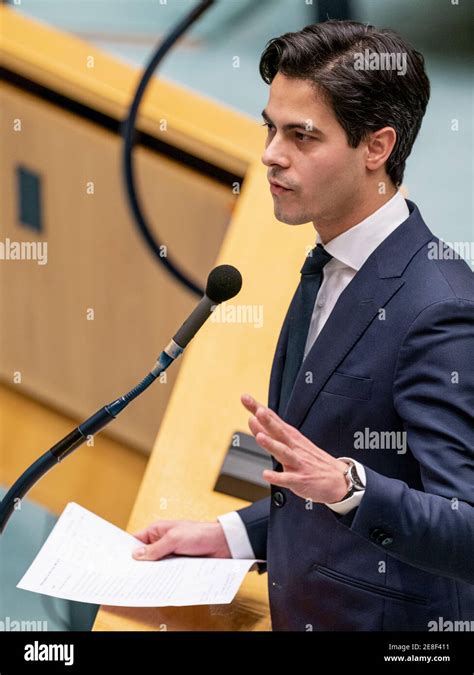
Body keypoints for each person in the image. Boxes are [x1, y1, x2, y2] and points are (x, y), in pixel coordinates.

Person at [132, 20, 474, 631]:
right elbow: (320, 481)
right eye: (271, 126)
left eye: (302, 135)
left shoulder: (440, 309)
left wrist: (349, 484)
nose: (270, 153)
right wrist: (232, 534)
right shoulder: (328, 262)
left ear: (376, 147)